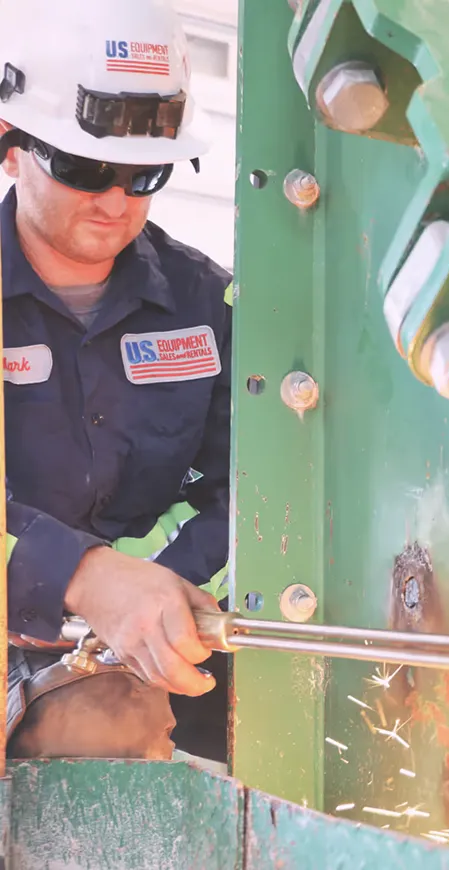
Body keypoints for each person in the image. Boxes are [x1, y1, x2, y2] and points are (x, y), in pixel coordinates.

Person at [0, 0, 231, 759]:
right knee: (101, 735)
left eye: (145, 174)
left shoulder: (204, 305)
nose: (114, 200)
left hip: (161, 626)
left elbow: (256, 487)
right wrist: (86, 580)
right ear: (10, 144)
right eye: (85, 166)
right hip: (16, 627)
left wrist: (158, 592)